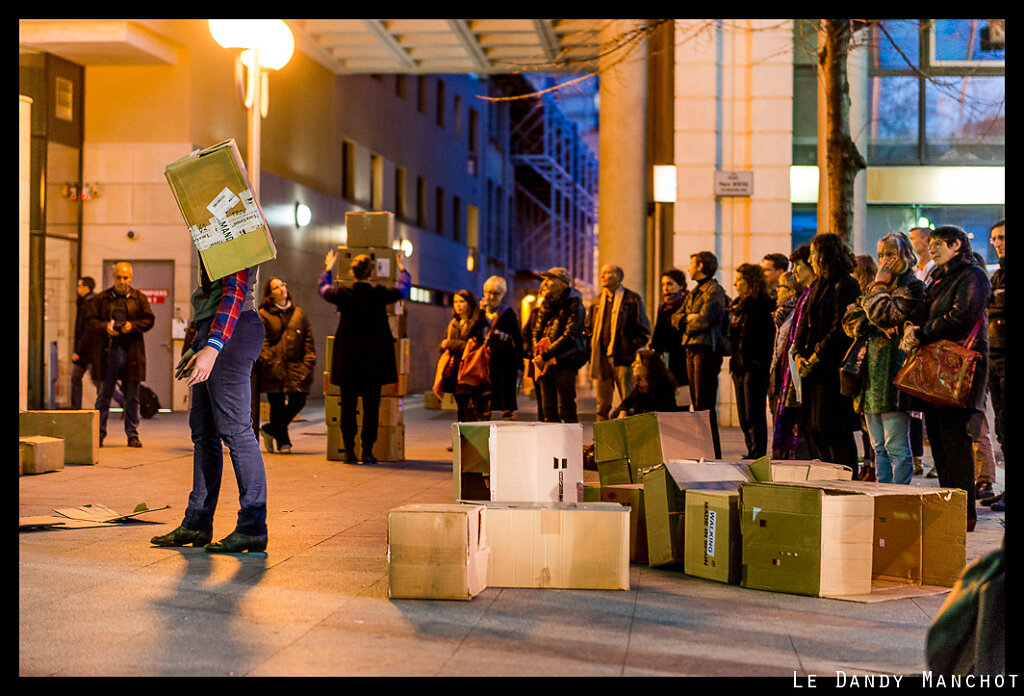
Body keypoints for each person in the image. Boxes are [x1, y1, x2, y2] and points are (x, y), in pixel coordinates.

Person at [152, 263, 268, 553]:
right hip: (215, 328)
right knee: (203, 433)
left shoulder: (232, 225)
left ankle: (253, 525)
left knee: (236, 431)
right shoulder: (213, 228)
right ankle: (197, 522)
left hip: (233, 329)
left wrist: (213, 345)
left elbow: (235, 288)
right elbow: (214, 293)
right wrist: (199, 342)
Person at [901, 225, 991, 532]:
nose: (932, 249)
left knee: (956, 445)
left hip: (959, 374)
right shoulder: (939, 277)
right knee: (938, 444)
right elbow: (924, 311)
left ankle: (964, 513)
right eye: (931, 244)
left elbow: (962, 316)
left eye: (938, 244)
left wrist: (924, 332)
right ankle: (948, 506)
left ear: (956, 245)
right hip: (937, 374)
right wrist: (912, 327)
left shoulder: (973, 275)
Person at [842, 232, 926, 485]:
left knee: (896, 446)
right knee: (877, 445)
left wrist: (878, 290)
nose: (885, 260)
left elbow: (884, 314)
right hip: (869, 378)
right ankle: (882, 492)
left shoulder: (912, 286)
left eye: (891, 254)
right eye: (881, 255)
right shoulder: (874, 288)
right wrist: (877, 320)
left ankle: (898, 495)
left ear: (906, 254)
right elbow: (850, 323)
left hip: (895, 375)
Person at [319, 249, 410, 464]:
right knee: (371, 408)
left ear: (352, 272)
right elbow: (403, 289)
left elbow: (323, 290)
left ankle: (349, 451)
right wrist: (402, 268)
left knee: (348, 407)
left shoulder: (342, 293)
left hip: (348, 361)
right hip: (373, 362)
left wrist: (327, 269)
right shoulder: (379, 294)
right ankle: (368, 451)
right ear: (371, 273)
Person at [792, 233, 862, 477]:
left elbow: (839, 329)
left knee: (834, 429)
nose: (810, 260)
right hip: (813, 373)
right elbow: (805, 323)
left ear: (825, 256)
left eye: (813, 254)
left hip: (832, 372)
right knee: (815, 427)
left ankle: (846, 480)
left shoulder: (846, 284)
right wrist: (798, 352)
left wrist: (815, 357)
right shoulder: (819, 285)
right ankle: (829, 478)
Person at [85, 262, 155, 448]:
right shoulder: (101, 299)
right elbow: (90, 322)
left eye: (125, 277)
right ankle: (98, 434)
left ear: (130, 278)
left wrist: (132, 326)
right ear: (113, 277)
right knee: (104, 396)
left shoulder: (139, 298)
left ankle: (132, 434)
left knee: (132, 396)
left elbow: (149, 320)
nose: (122, 281)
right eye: (119, 277)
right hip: (108, 354)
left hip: (132, 353)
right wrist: (105, 328)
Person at [672, 251, 729, 458]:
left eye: (692, 264)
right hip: (692, 349)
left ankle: (712, 452)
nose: (689, 268)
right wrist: (688, 317)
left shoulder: (713, 291)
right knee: (697, 404)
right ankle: (703, 450)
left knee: (705, 405)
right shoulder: (695, 292)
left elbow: (704, 321)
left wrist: (687, 320)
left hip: (706, 351)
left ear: (702, 267)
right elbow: (675, 317)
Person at [257, 276, 316, 454]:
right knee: (277, 405)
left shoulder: (298, 313)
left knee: (299, 400)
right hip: (273, 367)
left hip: (296, 367)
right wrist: (268, 360)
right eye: (276, 287)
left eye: (282, 284)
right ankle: (284, 442)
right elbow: (262, 340)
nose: (281, 288)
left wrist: (308, 362)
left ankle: (269, 429)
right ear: (270, 294)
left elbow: (308, 339)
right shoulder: (264, 314)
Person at [585, 264, 651, 421]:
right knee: (602, 404)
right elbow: (588, 328)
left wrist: (631, 347)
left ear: (619, 277)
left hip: (623, 358)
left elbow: (644, 330)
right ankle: (600, 441)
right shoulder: (597, 302)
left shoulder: (632, 299)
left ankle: (630, 440)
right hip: (601, 358)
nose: (603, 276)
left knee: (627, 401)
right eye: (602, 273)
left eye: (608, 273)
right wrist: (590, 348)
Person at [524, 267, 588, 423]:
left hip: (564, 361)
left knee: (566, 408)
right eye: (545, 279)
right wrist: (538, 354)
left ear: (563, 282)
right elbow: (535, 331)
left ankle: (569, 445)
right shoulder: (546, 305)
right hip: (545, 363)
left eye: (551, 279)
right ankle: (550, 446)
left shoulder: (575, 305)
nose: (546, 283)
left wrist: (546, 355)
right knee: (548, 410)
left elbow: (570, 334)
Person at [728, 263, 777, 459]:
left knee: (753, 414)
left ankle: (757, 454)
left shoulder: (761, 304)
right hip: (739, 366)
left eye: (740, 280)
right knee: (743, 416)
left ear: (750, 282)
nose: (735, 284)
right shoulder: (739, 305)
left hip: (755, 367)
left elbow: (763, 337)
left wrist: (757, 361)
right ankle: (751, 450)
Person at [908, 226, 936, 476]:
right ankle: (917, 457)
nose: (912, 243)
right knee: (916, 409)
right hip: (917, 343)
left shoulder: (934, 270)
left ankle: (936, 461)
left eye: (914, 238)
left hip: (932, 341)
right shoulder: (915, 271)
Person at [439, 289, 489, 423]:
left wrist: (450, 343)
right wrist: (449, 344)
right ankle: (461, 440)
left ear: (470, 303)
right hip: (455, 372)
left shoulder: (478, 322)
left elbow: (470, 345)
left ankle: (468, 441)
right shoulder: (453, 324)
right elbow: (442, 346)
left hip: (470, 370)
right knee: (461, 407)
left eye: (462, 301)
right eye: (455, 302)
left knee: (469, 408)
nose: (458, 305)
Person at [479, 276, 523, 421]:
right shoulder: (479, 312)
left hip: (505, 363)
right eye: (488, 292)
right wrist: (479, 312)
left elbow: (517, 340)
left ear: (502, 294)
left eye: (496, 293)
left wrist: (520, 366)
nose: (491, 297)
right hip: (483, 362)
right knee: (484, 397)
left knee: (506, 399)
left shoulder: (508, 313)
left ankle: (508, 421)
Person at [852, 254, 879, 479]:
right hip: (862, 364)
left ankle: (871, 466)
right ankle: (868, 464)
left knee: (870, 422)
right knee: (864, 421)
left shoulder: (870, 293)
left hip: (868, 363)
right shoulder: (860, 294)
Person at [985, 220, 1005, 512]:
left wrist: (991, 303)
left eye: (1001, 237)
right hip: (994, 357)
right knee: (1002, 428)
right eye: (994, 239)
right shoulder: (998, 275)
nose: (997, 243)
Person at [609, 348, 679, 419]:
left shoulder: (662, 388)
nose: (633, 365)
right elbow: (626, 403)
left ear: (647, 367)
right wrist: (623, 411)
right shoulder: (641, 387)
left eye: (637, 362)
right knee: (613, 413)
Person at [649, 268, 689, 390]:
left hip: (682, 356)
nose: (666, 288)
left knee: (682, 392)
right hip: (666, 357)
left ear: (681, 285)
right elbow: (658, 330)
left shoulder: (687, 304)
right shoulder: (664, 306)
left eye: (670, 284)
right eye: (663, 284)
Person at [70, 276, 97, 410]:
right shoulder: (84, 302)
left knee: (98, 381)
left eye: (80, 286)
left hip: (88, 352)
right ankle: (76, 409)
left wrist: (78, 351)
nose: (78, 289)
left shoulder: (89, 304)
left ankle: (123, 403)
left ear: (87, 288)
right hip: (86, 350)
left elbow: (87, 330)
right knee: (76, 378)